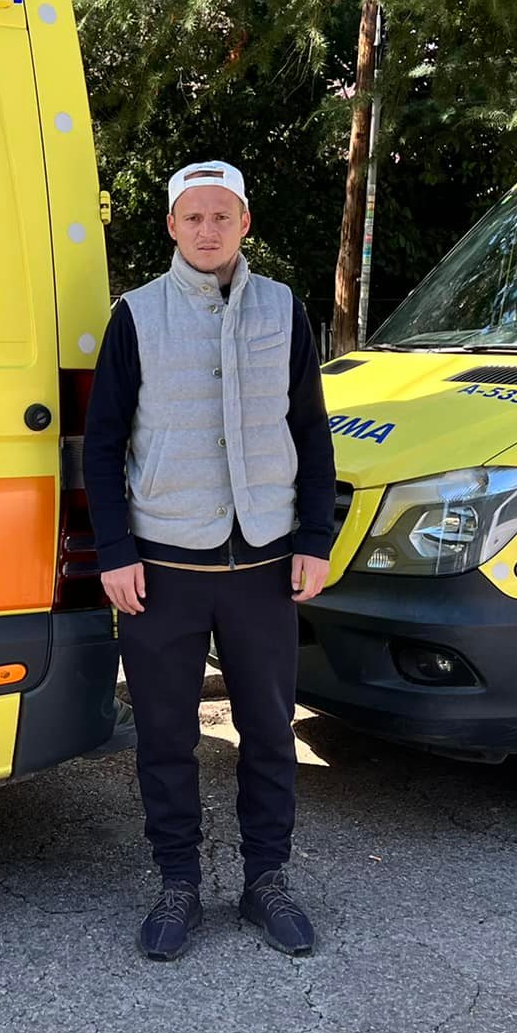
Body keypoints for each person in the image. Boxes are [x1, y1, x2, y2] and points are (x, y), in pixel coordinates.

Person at [83, 160, 338, 961]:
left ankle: (267, 880)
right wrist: (115, 550)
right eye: (193, 217)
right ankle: (178, 884)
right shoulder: (136, 315)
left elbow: (311, 431)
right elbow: (102, 444)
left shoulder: (283, 309)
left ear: (245, 222)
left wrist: (315, 538)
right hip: (163, 568)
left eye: (222, 215)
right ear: (171, 225)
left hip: (264, 563)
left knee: (269, 732)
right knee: (165, 736)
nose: (207, 229)